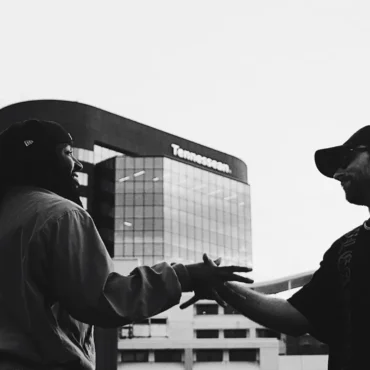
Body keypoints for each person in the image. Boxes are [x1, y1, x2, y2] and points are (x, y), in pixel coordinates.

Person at [0, 119, 253, 370]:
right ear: (40, 158)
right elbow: (104, 300)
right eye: (67, 152)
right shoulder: (61, 215)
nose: (76, 163)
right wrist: (187, 276)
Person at [188, 126, 370, 370]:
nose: (338, 174)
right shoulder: (345, 249)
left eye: (347, 159)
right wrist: (222, 285)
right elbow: (297, 317)